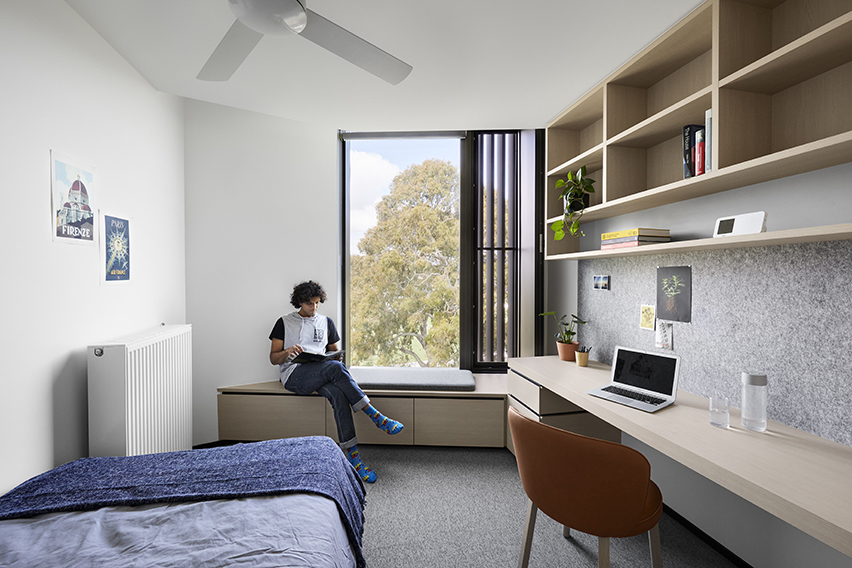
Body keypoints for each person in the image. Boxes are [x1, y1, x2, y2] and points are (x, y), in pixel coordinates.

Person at [269, 280, 403, 483]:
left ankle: (354, 460)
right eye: (309, 303)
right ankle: (374, 415)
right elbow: (273, 358)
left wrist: (334, 357)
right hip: (294, 375)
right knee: (335, 369)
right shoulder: (284, 322)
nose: (314, 307)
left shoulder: (326, 322)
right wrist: (287, 352)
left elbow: (335, 355)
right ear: (299, 302)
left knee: (339, 393)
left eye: (317, 302)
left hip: (321, 372)